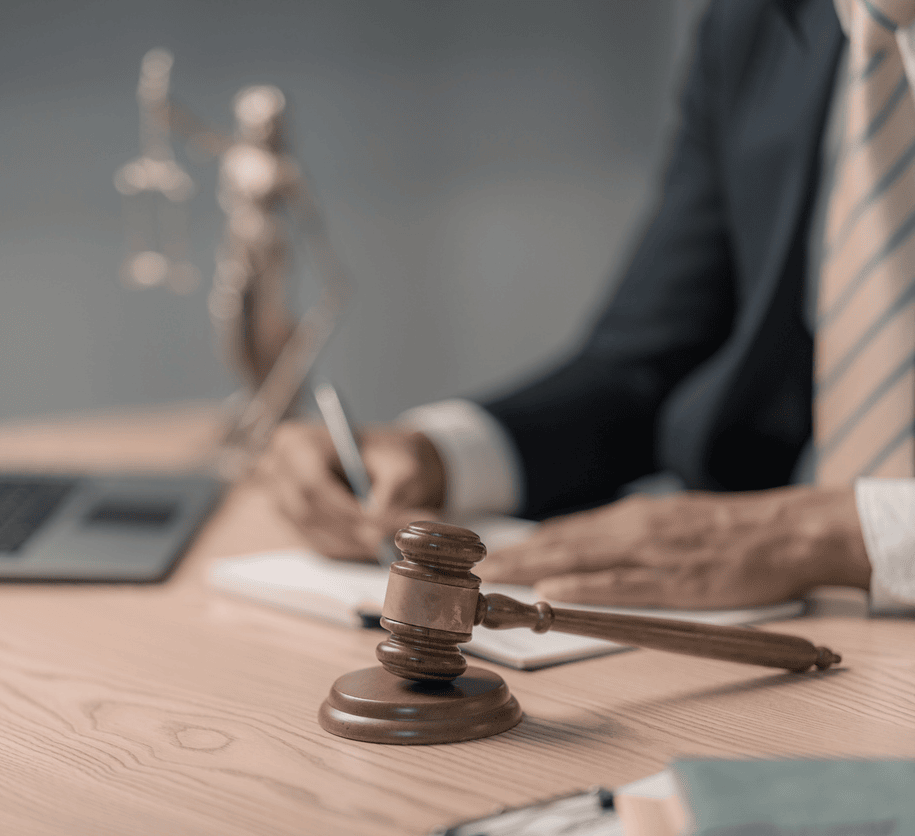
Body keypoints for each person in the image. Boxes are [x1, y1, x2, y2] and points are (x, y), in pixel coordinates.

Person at [260, 0, 915, 612]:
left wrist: (835, 535)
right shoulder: (765, 23)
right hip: (819, 638)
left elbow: (808, 531)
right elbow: (653, 362)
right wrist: (438, 457)